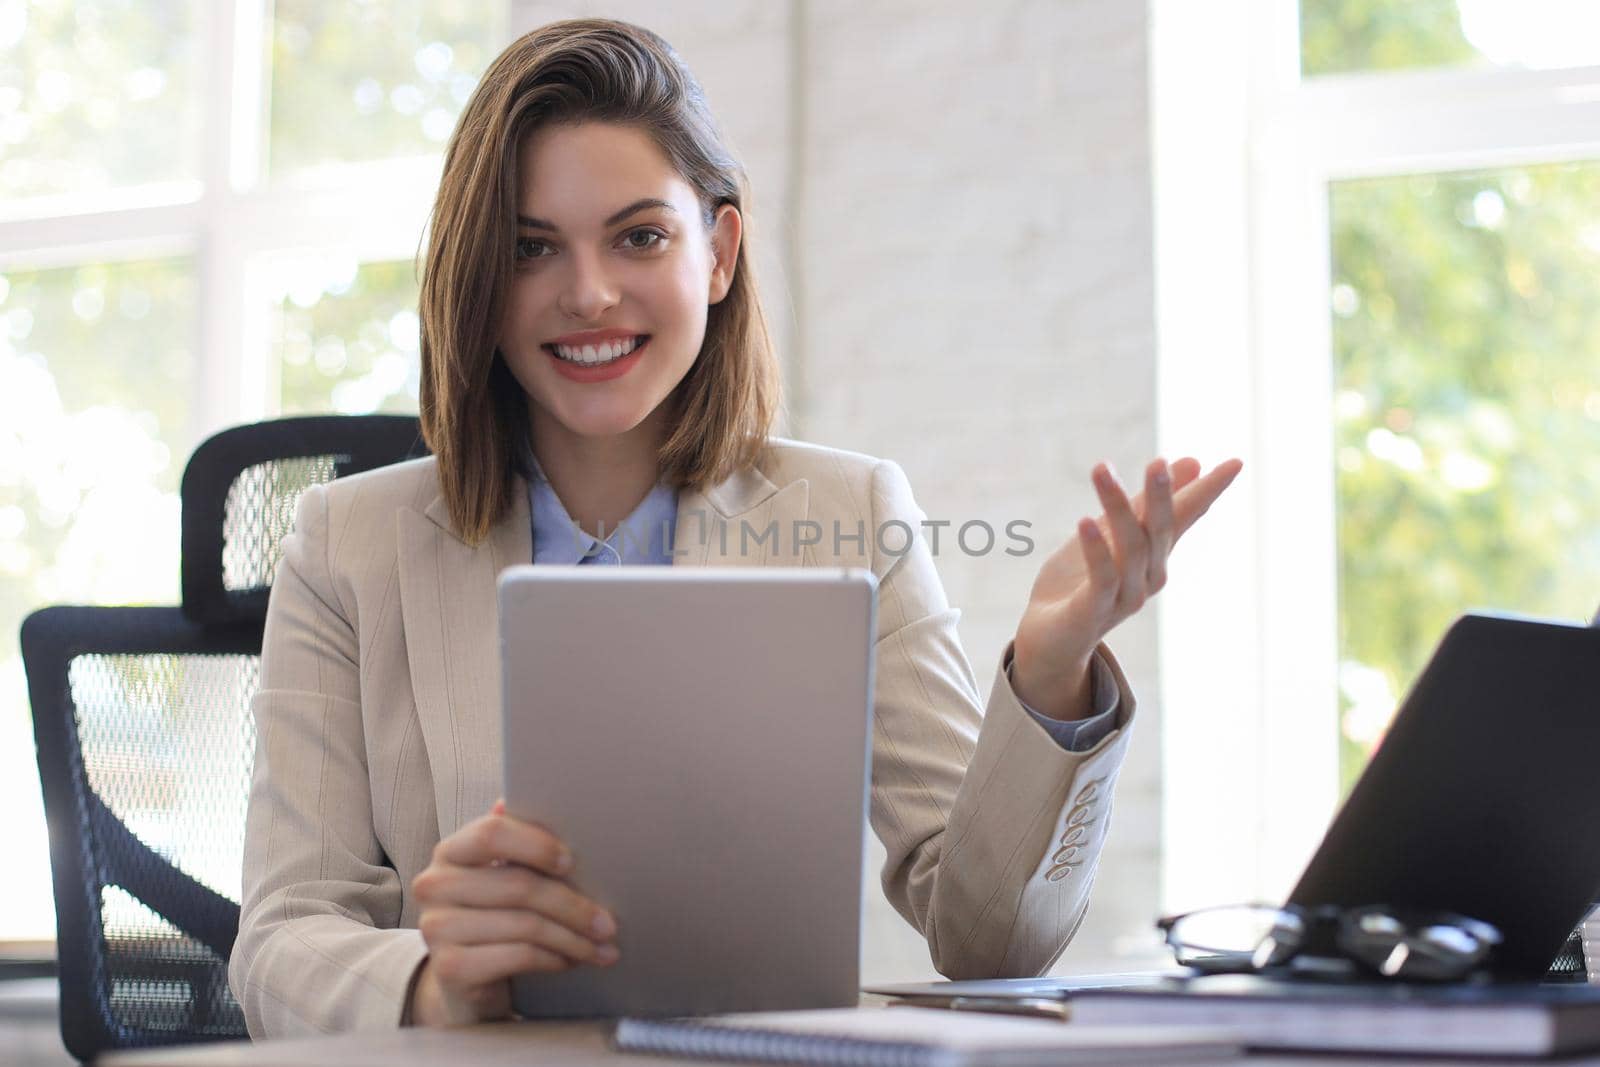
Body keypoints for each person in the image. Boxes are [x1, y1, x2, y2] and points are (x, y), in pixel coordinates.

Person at [227, 17, 1241, 1038]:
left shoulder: (850, 515)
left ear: (718, 251)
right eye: (532, 247)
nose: (587, 293)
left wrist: (1054, 670)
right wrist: (434, 979)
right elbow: (280, 938)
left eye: (639, 236)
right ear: (481, 279)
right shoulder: (345, 543)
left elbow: (986, 938)